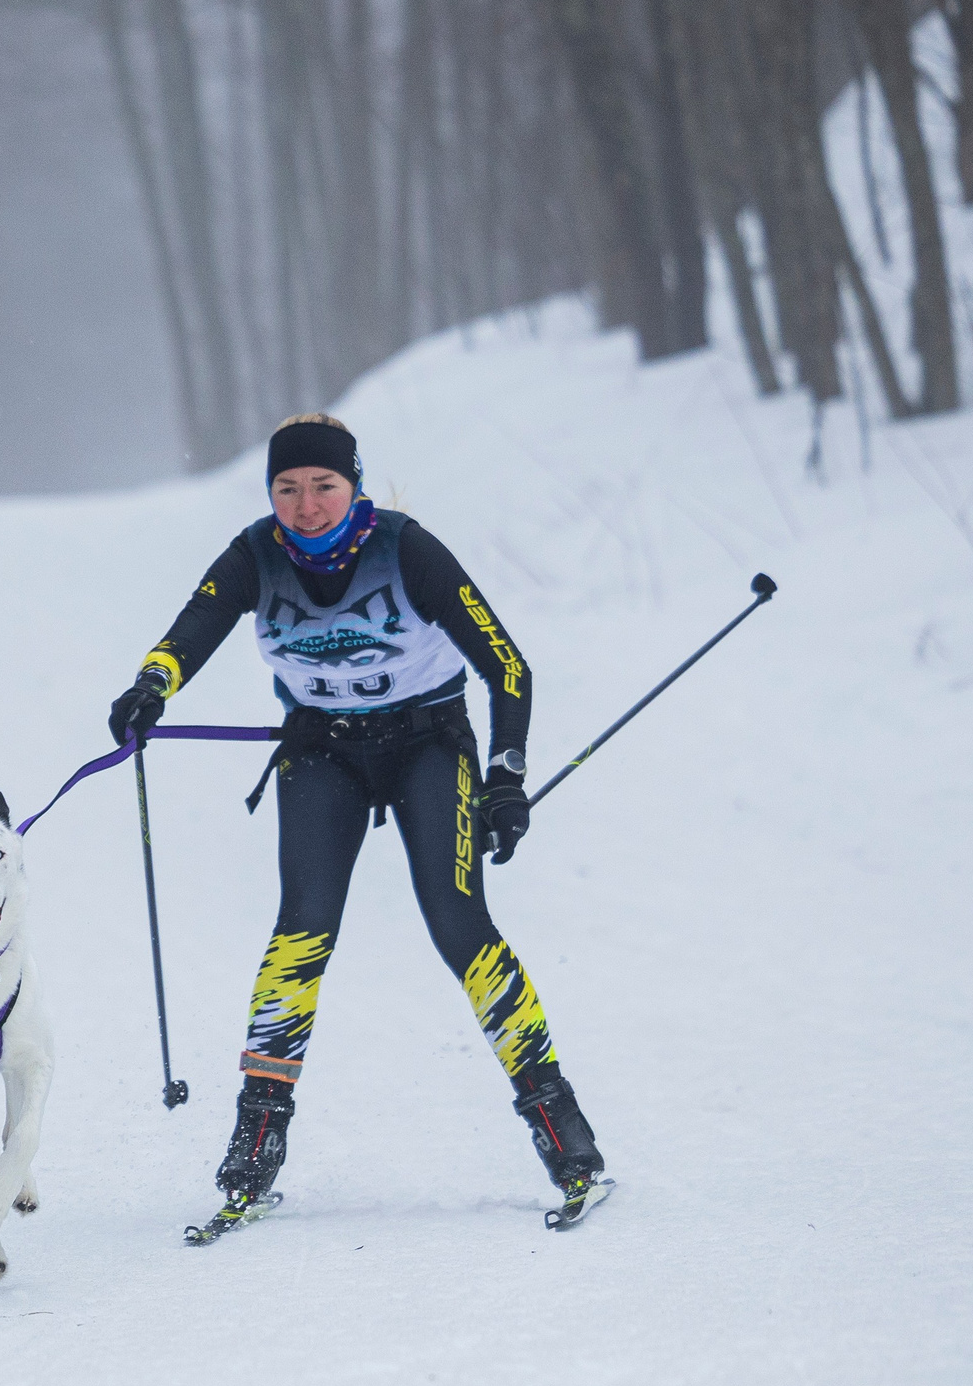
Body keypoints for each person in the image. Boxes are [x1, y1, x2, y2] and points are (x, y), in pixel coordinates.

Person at [106, 412, 603, 1211]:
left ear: (355, 486)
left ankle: (561, 1127)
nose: (305, 507)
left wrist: (505, 776)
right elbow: (193, 628)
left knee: (458, 921)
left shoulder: (407, 548)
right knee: (300, 930)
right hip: (323, 753)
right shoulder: (254, 555)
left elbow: (507, 666)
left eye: (324, 487)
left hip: (428, 745)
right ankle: (257, 1140)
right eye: (288, 489)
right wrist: (151, 685)